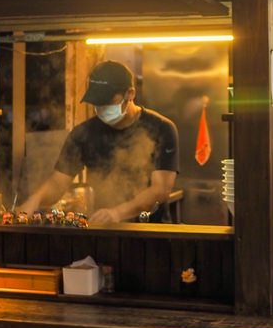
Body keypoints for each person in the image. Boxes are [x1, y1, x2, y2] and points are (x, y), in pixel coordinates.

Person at [18, 60, 178, 223]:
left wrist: (117, 213)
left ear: (130, 94)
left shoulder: (161, 128)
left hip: (152, 235)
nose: (102, 107)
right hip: (103, 229)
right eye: (97, 103)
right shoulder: (83, 133)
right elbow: (58, 182)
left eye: (108, 101)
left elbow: (161, 190)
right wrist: (35, 200)